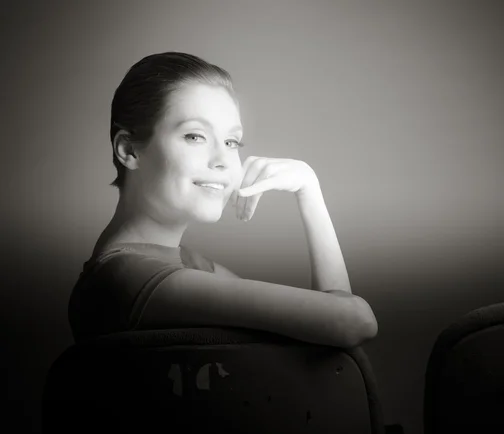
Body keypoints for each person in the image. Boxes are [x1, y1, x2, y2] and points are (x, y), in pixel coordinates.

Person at [68, 52, 378, 349]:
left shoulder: (183, 263)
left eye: (231, 142)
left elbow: (333, 332)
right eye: (195, 136)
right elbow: (353, 321)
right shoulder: (128, 278)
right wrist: (310, 192)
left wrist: (309, 190)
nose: (222, 160)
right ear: (129, 150)